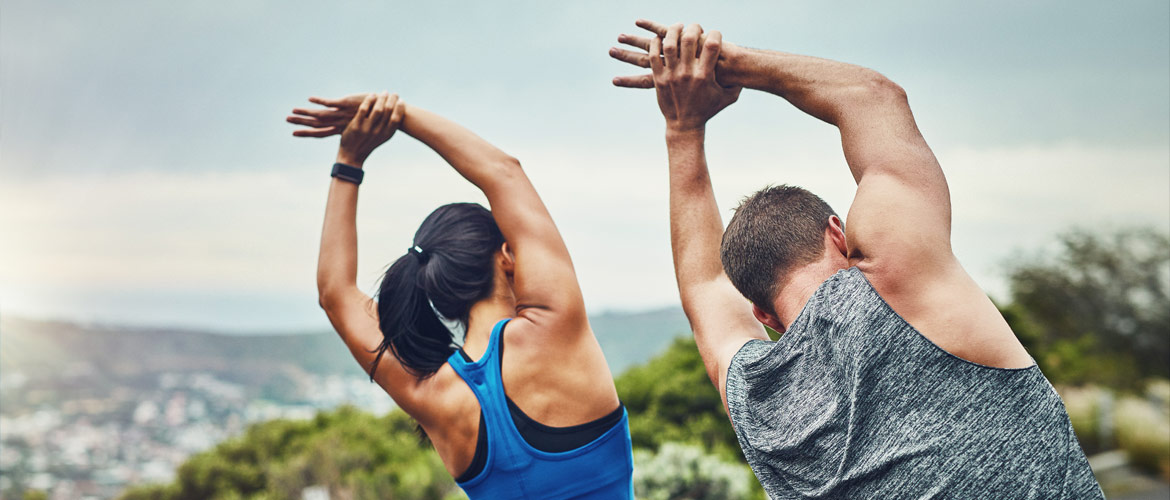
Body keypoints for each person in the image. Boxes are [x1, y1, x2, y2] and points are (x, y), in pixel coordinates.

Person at [610, 20, 1103, 499]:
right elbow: (872, 97)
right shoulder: (898, 283)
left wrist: (683, 128)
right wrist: (727, 62)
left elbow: (704, 286)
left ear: (763, 315)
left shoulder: (753, 397)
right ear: (837, 235)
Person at [286, 92, 634, 498]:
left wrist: (349, 160)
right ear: (506, 256)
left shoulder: (431, 393)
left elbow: (336, 294)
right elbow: (504, 172)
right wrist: (399, 115)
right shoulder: (552, 327)